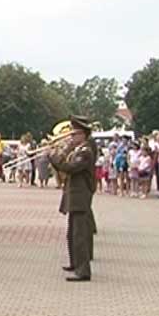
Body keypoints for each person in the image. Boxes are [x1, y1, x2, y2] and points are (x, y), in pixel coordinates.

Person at [49, 115, 96, 282]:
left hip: (80, 196)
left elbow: (70, 168)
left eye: (74, 134)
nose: (71, 137)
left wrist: (54, 157)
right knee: (72, 234)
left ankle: (83, 270)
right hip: (73, 195)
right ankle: (75, 262)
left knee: (79, 235)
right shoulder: (77, 150)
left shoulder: (86, 153)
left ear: (83, 135)